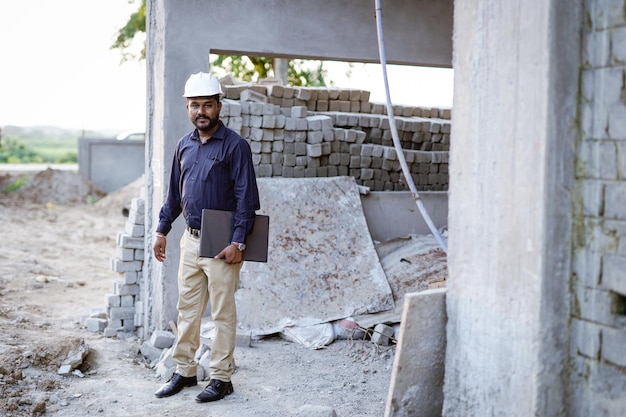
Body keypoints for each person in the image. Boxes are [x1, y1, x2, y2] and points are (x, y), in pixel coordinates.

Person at [152, 72, 260, 403]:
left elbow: (247, 200)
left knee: (223, 312)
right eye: (194, 105)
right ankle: (184, 371)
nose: (201, 111)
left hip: (222, 240)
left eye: (207, 105)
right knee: (187, 309)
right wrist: (162, 229)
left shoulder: (235, 146)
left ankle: (221, 378)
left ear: (218, 106)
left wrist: (238, 242)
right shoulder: (183, 146)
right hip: (191, 239)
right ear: (187, 108)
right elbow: (174, 194)